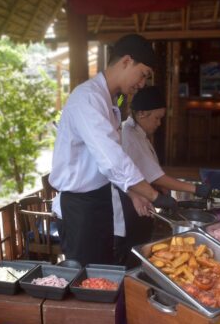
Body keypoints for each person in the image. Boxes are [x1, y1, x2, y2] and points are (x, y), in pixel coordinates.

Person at [49, 34, 177, 265]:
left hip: (99, 200)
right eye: (143, 75)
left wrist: (133, 193)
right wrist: (154, 195)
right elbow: (111, 158)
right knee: (86, 280)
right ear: (126, 61)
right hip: (80, 207)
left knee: (103, 273)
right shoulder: (87, 98)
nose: (142, 84)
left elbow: (104, 162)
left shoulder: (109, 101)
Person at [113, 86, 212, 264]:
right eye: (157, 118)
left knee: (140, 246)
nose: (159, 123)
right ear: (142, 114)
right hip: (128, 201)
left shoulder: (137, 132)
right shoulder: (130, 135)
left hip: (140, 197)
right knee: (134, 251)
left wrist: (161, 187)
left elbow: (150, 172)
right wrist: (195, 188)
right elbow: (155, 176)